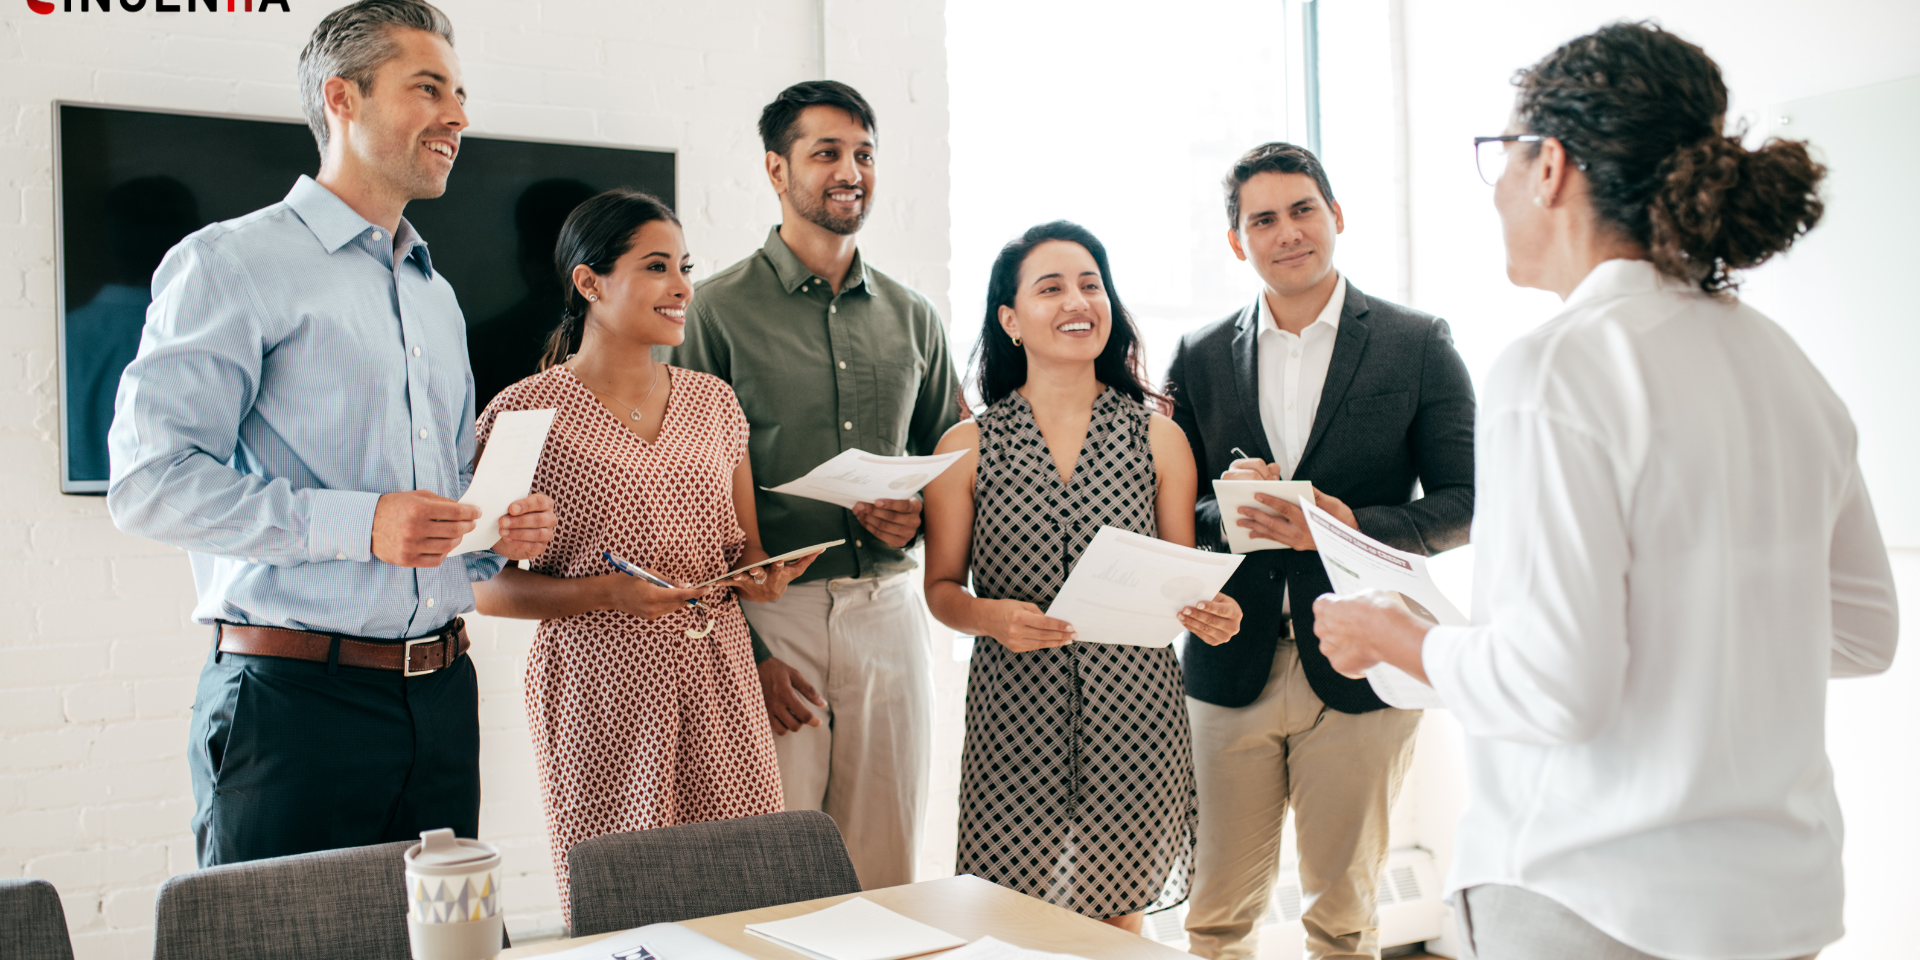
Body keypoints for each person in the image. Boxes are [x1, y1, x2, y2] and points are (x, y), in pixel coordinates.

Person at [1314, 22, 1898, 960]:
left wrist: (1399, 636)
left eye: (1502, 155)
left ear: (1549, 167)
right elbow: (1865, 634)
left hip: (1596, 902)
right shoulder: (1787, 367)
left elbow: (1556, 687)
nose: (1498, 186)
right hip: (1777, 906)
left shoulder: (1559, 368)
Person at [105, 0, 556, 867]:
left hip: (441, 697)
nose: (458, 116)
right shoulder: (230, 263)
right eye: (428, 89)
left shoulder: (436, 292)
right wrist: (366, 523)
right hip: (292, 708)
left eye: (459, 93)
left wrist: (494, 537)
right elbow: (149, 484)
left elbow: (434, 506)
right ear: (341, 100)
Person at [1165, 142, 1475, 960]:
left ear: (1336, 216)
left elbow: (1469, 503)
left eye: (1302, 209)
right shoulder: (1198, 355)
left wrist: (1344, 525)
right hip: (1230, 660)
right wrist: (1230, 507)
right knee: (1215, 919)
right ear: (1238, 241)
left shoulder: (1415, 341)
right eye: (1261, 219)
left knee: (1342, 923)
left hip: (1365, 663)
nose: (1287, 232)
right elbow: (1175, 508)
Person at [472, 189, 814, 918]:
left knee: (745, 892)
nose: (683, 286)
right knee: (623, 903)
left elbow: (741, 552)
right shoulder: (524, 413)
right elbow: (481, 587)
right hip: (599, 689)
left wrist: (764, 577)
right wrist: (608, 595)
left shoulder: (715, 402)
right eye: (656, 266)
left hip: (721, 676)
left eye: (684, 266)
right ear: (589, 284)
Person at [665, 80, 962, 889]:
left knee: (888, 864)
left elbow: (955, 459)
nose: (850, 171)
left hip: (890, 617)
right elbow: (685, 499)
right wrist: (748, 654)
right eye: (826, 152)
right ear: (775, 168)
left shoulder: (914, 318)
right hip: (776, 616)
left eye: (863, 154)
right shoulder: (711, 314)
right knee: (776, 866)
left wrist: (919, 522)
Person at [923, 221, 1244, 933]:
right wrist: (993, 618)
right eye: (1051, 287)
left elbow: (1185, 581)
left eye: (1091, 283)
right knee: (1007, 921)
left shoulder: (1159, 438)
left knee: (1120, 923)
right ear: (1009, 320)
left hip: (1136, 713)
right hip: (1014, 713)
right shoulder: (966, 447)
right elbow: (941, 589)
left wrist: (1214, 614)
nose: (1078, 300)